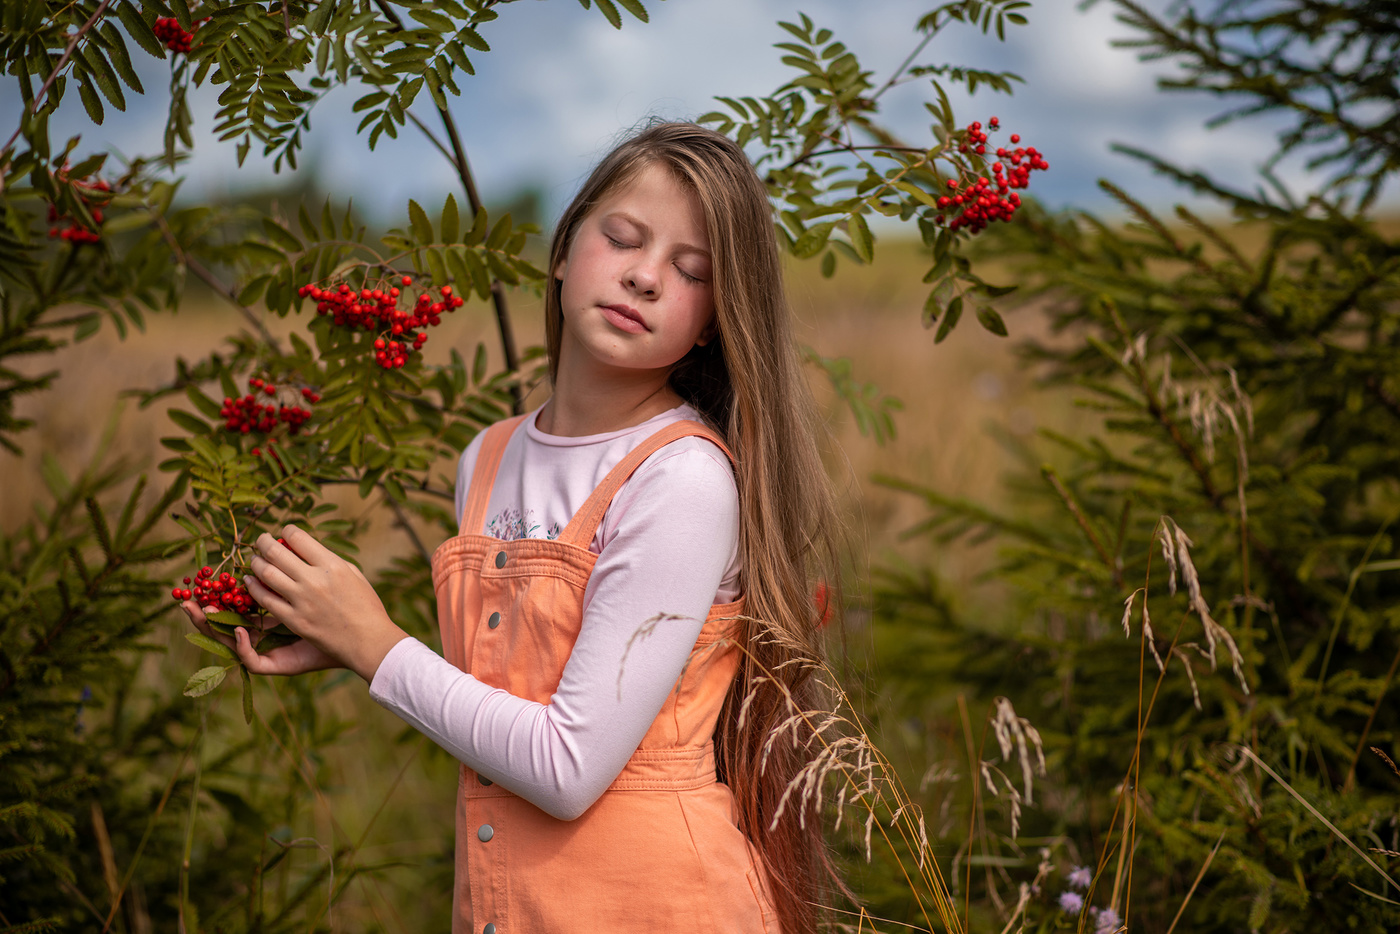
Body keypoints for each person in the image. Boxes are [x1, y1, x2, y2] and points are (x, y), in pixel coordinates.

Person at [184, 121, 842, 934]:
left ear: (712, 319)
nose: (643, 277)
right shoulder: (487, 457)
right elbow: (511, 688)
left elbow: (567, 768)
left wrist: (376, 645)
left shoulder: (683, 479)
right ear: (565, 249)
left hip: (657, 908)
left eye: (690, 271)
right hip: (511, 909)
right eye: (623, 238)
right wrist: (333, 634)